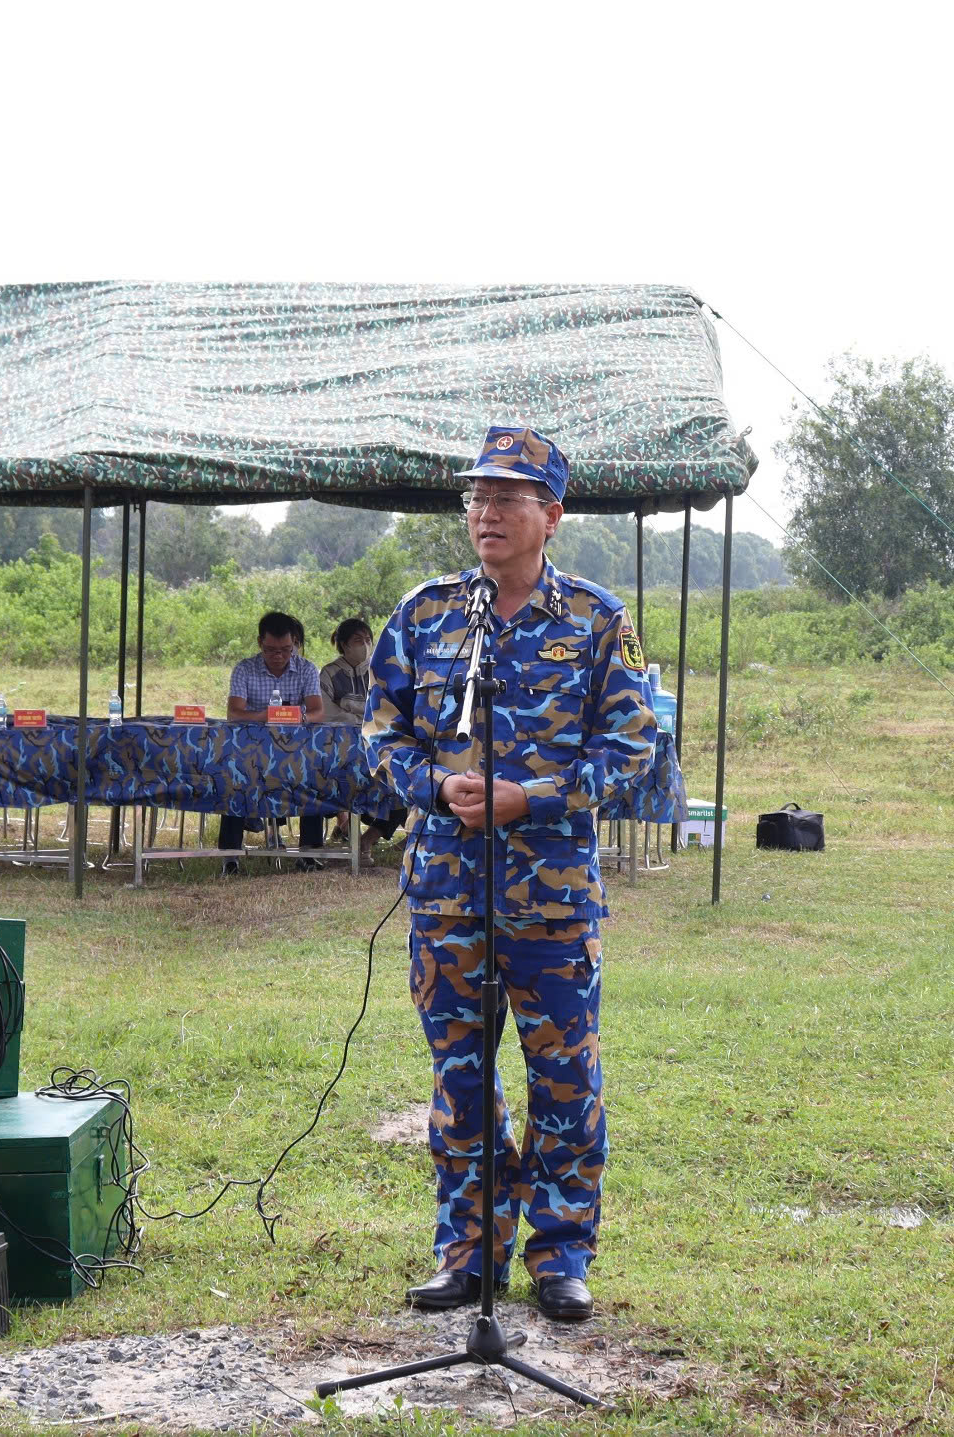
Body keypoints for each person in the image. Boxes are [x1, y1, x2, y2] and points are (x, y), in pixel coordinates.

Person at [364, 424, 655, 1325]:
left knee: (564, 1084)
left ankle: (561, 1256)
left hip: (553, 902)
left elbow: (637, 742)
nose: (485, 513)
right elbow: (381, 733)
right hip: (449, 894)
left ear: (551, 515)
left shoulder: (598, 621)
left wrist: (537, 796)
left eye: (507, 498)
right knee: (461, 1083)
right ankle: (467, 1253)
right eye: (476, 497)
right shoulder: (426, 613)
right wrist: (432, 784)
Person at [218, 609, 327, 854]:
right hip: (250, 754)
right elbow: (234, 714)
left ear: (294, 645)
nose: (278, 656)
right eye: (271, 650)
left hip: (296, 752)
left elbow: (318, 712)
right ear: (260, 643)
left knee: (314, 777)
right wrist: (267, 716)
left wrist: (297, 718)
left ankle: (310, 852)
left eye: (285, 650)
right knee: (233, 778)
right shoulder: (244, 670)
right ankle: (230, 854)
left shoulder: (307, 669)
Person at [323, 616, 404, 855]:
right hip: (338, 751)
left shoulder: (380, 671)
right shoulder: (329, 673)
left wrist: (353, 709)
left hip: (376, 748)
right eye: (358, 640)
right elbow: (326, 711)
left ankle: (368, 839)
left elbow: (390, 706)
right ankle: (345, 825)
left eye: (368, 639)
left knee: (397, 787)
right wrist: (360, 717)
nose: (365, 645)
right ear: (344, 644)